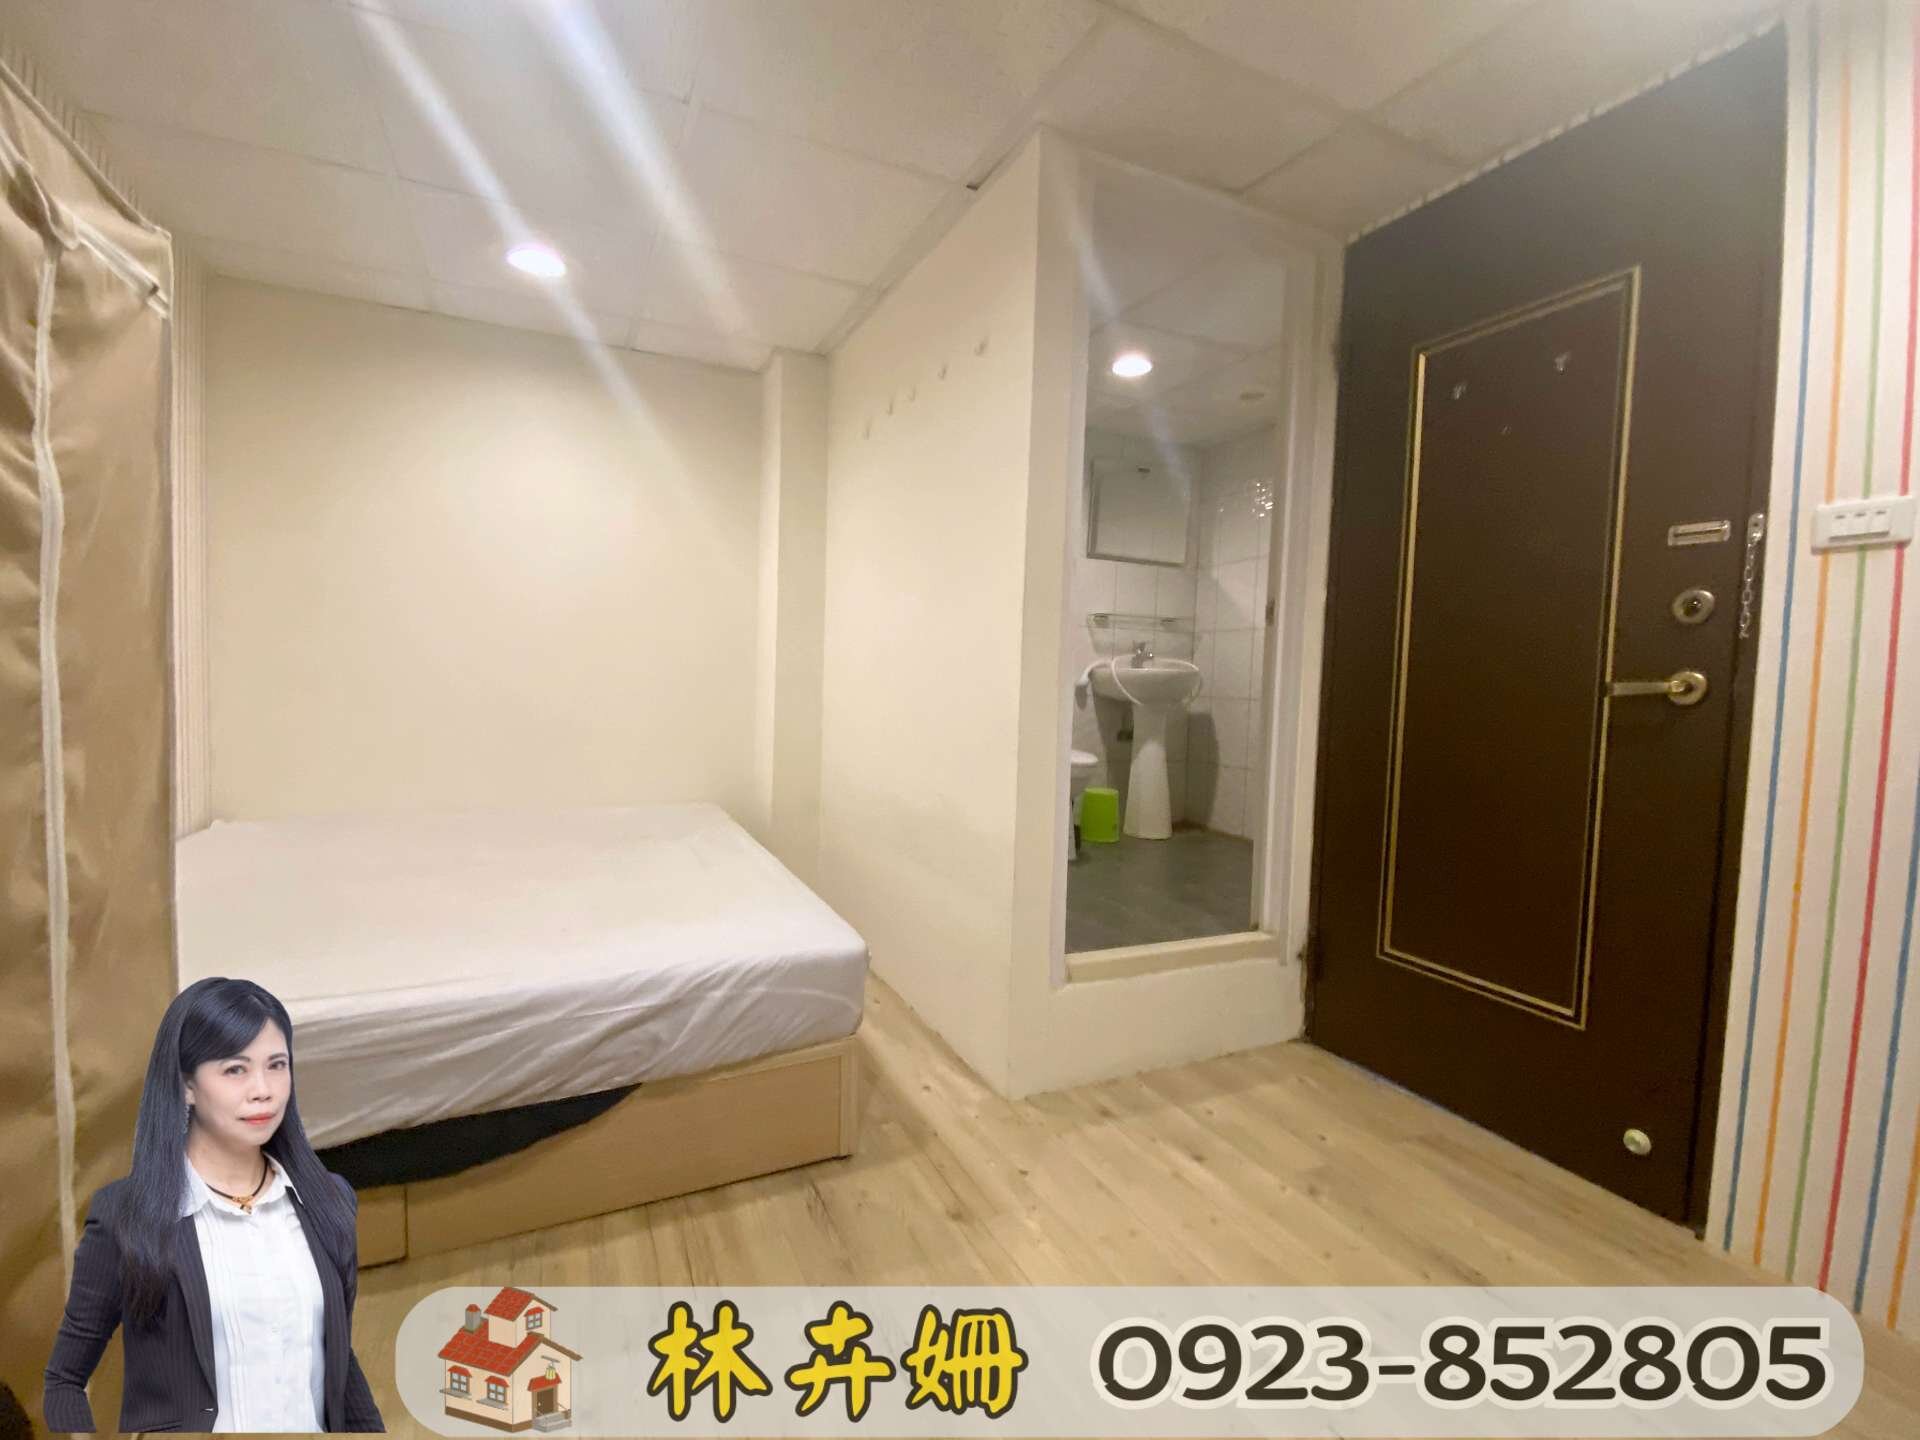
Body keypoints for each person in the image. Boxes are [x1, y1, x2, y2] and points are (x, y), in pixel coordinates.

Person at [44, 977, 383, 1432]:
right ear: (186, 1085)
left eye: (277, 1065)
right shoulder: (125, 1216)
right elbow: (64, 1380)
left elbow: (339, 1362)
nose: (263, 1090)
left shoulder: (329, 1200)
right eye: (235, 1070)